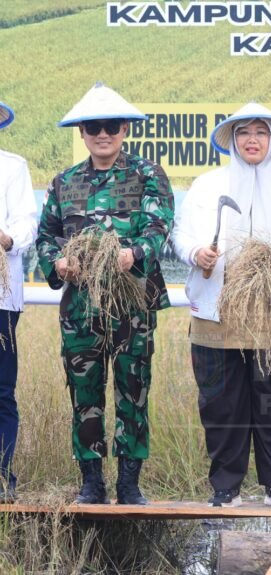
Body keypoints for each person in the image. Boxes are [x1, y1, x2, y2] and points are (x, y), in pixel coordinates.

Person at [172, 102, 271, 508]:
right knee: (221, 402)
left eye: (260, 132)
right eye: (243, 132)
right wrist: (196, 254)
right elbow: (181, 236)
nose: (251, 140)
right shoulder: (206, 186)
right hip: (216, 310)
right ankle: (225, 487)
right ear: (232, 141)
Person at [36, 83, 174, 505]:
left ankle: (129, 484)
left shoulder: (147, 175)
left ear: (124, 129)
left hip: (132, 303)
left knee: (133, 391)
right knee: (85, 395)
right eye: (94, 126)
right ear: (82, 132)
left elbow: (159, 227)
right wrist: (58, 264)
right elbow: (47, 236)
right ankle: (91, 482)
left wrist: (135, 254)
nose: (103, 134)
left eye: (111, 126)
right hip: (81, 308)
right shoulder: (64, 182)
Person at [0, 100, 38, 503]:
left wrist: (7, 238)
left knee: (0, 391)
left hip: (1, 297)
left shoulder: (12, 166)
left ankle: (1, 476)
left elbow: (27, 220)